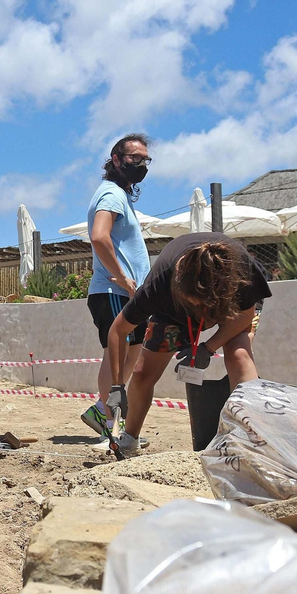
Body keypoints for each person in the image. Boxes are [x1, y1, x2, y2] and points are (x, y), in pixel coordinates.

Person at [101, 232, 271, 458]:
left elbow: (245, 315)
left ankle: (253, 440)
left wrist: (208, 347)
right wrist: (116, 385)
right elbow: (117, 331)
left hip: (233, 307)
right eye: (195, 305)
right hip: (175, 313)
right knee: (142, 373)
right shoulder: (159, 285)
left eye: (206, 307)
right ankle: (129, 440)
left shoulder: (242, 273)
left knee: (239, 355)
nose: (203, 316)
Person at [79, 133, 153, 441]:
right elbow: (99, 236)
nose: (141, 164)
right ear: (115, 160)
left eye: (145, 160)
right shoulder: (110, 193)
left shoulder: (119, 195)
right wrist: (122, 277)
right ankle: (109, 423)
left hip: (129, 295)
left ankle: (103, 413)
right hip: (113, 291)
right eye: (134, 158)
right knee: (118, 356)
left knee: (129, 357)